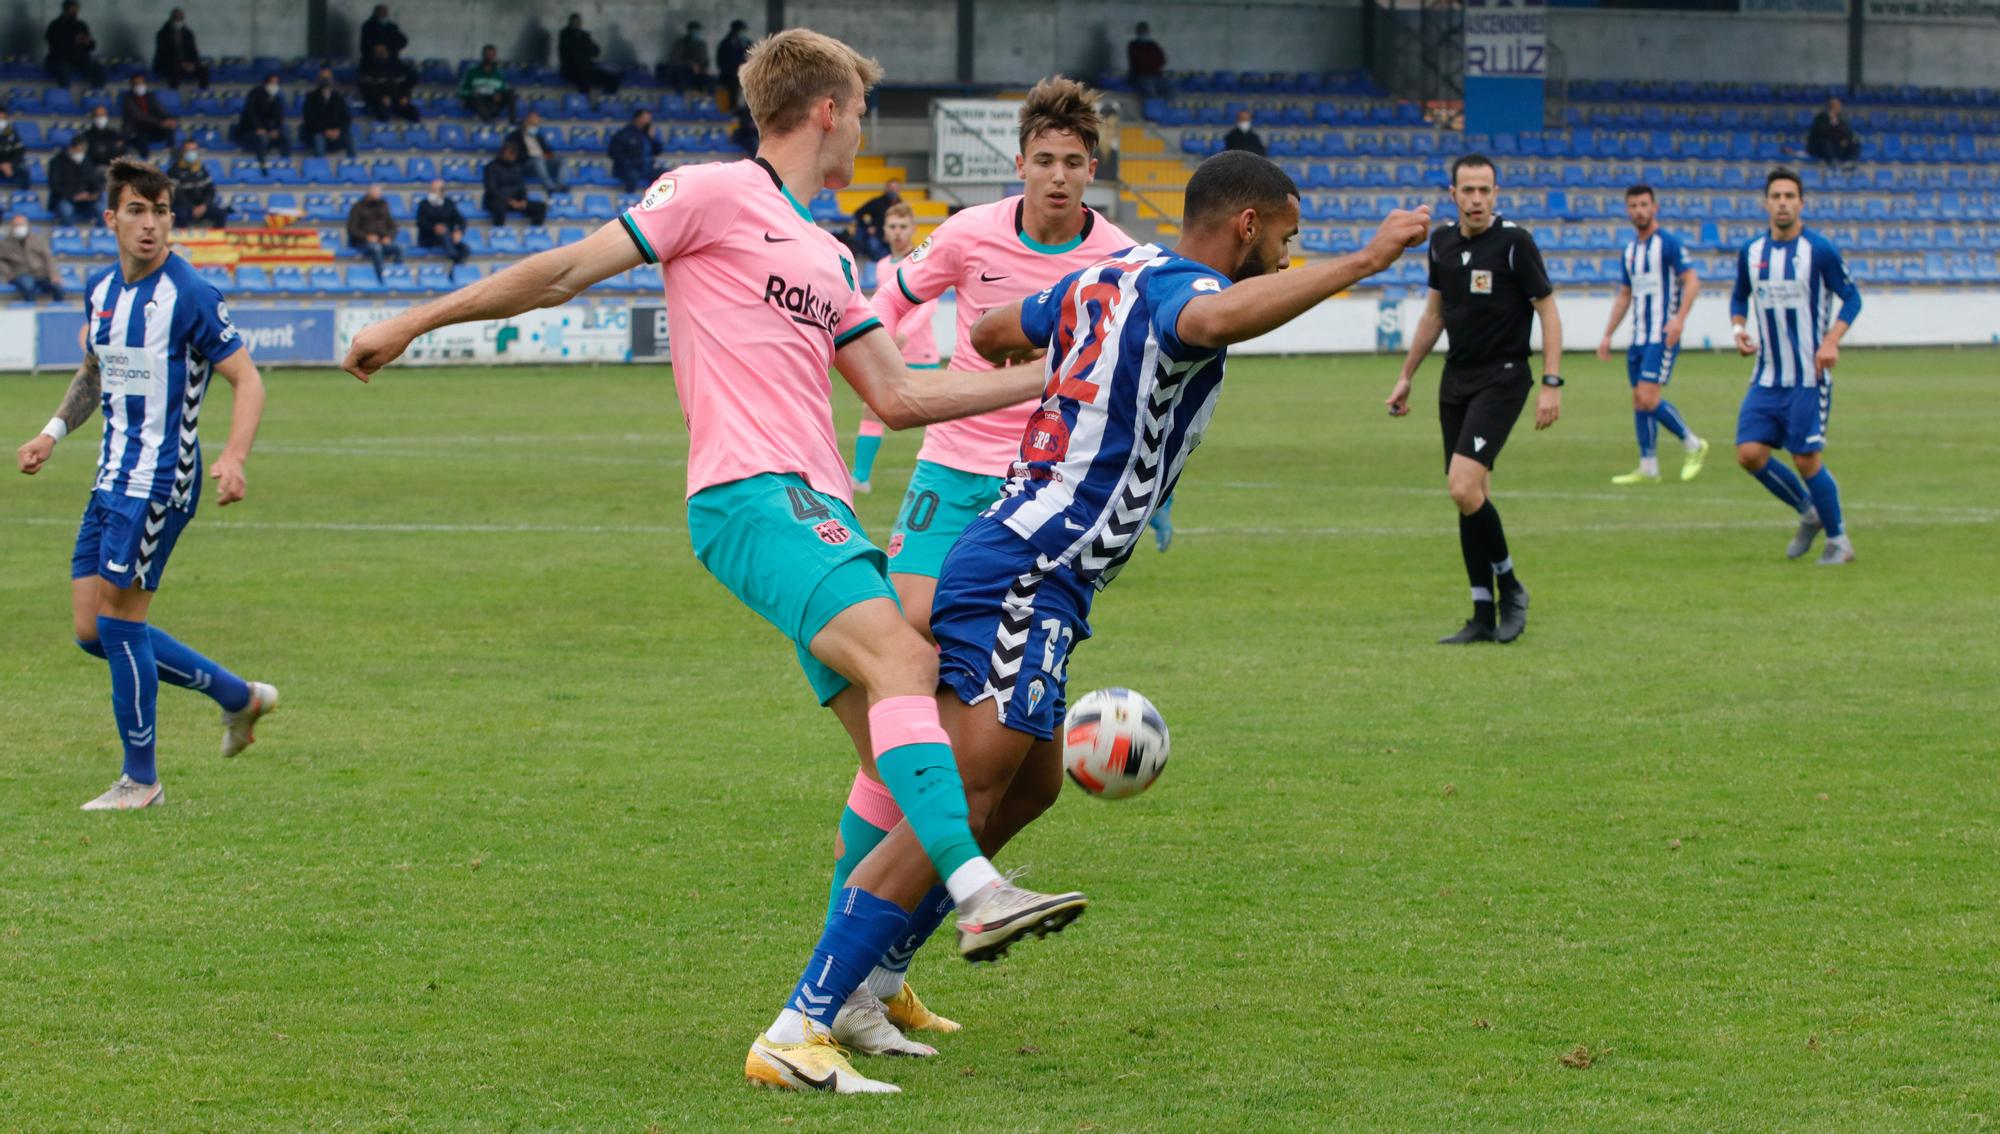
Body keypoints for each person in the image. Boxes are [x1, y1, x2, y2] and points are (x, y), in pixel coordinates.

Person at [340, 28, 1086, 1097]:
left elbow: (901, 396)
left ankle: (844, 1008)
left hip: (817, 508)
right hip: (748, 498)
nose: (862, 131)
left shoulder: (825, 254)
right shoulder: (709, 190)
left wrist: (1047, 382)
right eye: (860, 113)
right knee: (908, 671)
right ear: (826, 110)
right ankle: (974, 889)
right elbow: (561, 271)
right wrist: (415, 319)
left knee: (891, 758)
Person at [846, 151, 1427, 1092]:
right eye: (1284, 238)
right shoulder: (1186, 294)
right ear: (1247, 224)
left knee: (1030, 790)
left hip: (1044, 575)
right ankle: (824, 998)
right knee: (964, 795)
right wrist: (1362, 262)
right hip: (1025, 570)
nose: (1287, 257)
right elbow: (1218, 317)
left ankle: (878, 976)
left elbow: (998, 325)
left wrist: (1033, 361)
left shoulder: (1107, 275)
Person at [14, 157, 277, 811]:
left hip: (160, 480)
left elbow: (248, 379)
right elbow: (95, 374)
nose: (151, 224)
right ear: (112, 219)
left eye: (161, 211)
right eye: (138, 210)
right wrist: (51, 430)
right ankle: (237, 697)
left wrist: (235, 455)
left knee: (122, 623)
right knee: (89, 630)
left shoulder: (189, 294)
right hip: (109, 477)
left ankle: (141, 780)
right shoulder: (101, 291)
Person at [869, 78, 1135, 642]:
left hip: (1048, 475)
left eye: (1071, 162)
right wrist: (879, 346)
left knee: (1012, 631)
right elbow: (890, 296)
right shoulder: (968, 232)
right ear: (1020, 164)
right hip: (952, 457)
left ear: (1093, 167)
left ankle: (1003, 726)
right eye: (1044, 160)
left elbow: (1132, 370)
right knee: (910, 620)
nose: (1057, 175)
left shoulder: (1118, 259)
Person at [1385, 154, 1562, 645]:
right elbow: (1433, 315)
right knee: (1469, 497)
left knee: (1463, 488)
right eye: (1469, 190)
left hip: (1504, 377)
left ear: (1496, 193)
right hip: (1455, 379)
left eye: (1485, 190)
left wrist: (1552, 382)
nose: (1477, 199)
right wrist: (1406, 376)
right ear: (1454, 193)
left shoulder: (1514, 243)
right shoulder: (1441, 242)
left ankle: (1510, 585)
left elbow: (1547, 310)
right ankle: (1483, 613)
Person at [1730, 167, 1861, 566]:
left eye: (1790, 196)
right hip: (1767, 377)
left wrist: (1831, 340)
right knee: (1749, 453)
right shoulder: (1751, 253)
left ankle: (1839, 541)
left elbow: (1852, 299)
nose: (1783, 203)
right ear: (1766, 203)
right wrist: (1738, 328)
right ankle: (1810, 512)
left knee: (1806, 460)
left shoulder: (1818, 250)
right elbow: (1739, 297)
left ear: (1801, 203)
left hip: (1808, 377)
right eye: (1776, 196)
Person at [1597, 184, 1706, 485]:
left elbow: (1692, 282)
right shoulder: (1630, 251)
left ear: (1655, 208)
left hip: (1662, 334)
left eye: (1644, 205)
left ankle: (1693, 444)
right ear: (1627, 210)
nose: (1639, 211)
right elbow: (1624, 295)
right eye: (1633, 206)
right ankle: (1648, 466)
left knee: (1648, 397)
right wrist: (1607, 334)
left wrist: (1679, 320)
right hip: (1639, 336)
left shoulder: (1668, 244)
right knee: (1638, 399)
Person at [849, 201, 937, 495]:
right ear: (885, 231)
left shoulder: (921, 260)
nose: (898, 232)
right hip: (889, 353)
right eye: (893, 227)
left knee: (940, 420)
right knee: (871, 410)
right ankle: (860, 478)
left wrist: (905, 333)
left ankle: (949, 471)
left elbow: (929, 303)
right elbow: (878, 304)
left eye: (903, 227)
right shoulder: (882, 264)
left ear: (913, 229)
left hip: (921, 355)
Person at [0, 215, 63, 302]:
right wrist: (10, 275)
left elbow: (48, 257)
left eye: (22, 225)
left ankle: (57, 309)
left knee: (58, 287)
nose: (19, 228)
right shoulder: (5, 243)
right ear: (12, 227)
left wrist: (54, 274)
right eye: (16, 225)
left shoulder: (37, 239)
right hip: (20, 274)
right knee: (28, 286)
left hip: (41, 273)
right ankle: (30, 308)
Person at [481, 142, 545, 226]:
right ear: (503, 153)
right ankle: (499, 232)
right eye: (510, 153)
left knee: (540, 207)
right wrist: (509, 201)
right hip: (497, 200)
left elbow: (521, 186)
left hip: (516, 201)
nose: (512, 156)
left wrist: (523, 200)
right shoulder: (491, 167)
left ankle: (536, 233)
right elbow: (491, 189)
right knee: (499, 207)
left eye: (513, 153)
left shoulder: (517, 168)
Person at [347, 183, 402, 281]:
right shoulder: (358, 207)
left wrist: (389, 237)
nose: (378, 195)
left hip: (382, 239)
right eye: (375, 193)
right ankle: (381, 277)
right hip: (363, 241)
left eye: (379, 193)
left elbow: (394, 226)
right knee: (377, 248)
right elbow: (352, 229)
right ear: (369, 193)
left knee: (399, 248)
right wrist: (366, 236)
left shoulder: (384, 206)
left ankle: (398, 276)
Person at [415, 178, 470, 276]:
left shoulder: (449, 203)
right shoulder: (424, 204)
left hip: (448, 237)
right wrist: (434, 228)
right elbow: (420, 223)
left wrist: (459, 231)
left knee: (465, 248)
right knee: (444, 234)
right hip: (429, 238)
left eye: (440, 189)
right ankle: (454, 255)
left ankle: (454, 273)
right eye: (434, 190)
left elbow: (462, 220)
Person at [234, 74, 290, 169]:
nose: (274, 85)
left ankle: (285, 166)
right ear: (266, 83)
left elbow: (278, 117)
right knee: (262, 139)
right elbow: (250, 114)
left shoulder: (276, 99)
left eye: (276, 83)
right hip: (249, 131)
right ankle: (263, 167)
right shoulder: (255, 95)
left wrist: (275, 129)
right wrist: (258, 128)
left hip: (268, 131)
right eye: (272, 83)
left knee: (285, 140)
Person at [301, 67, 358, 160]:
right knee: (318, 139)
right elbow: (310, 120)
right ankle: (320, 168)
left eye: (328, 78)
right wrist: (325, 131)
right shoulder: (311, 98)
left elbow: (346, 118)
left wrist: (338, 131)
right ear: (318, 79)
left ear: (332, 79)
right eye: (323, 78)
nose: (325, 80)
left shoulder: (338, 97)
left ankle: (353, 167)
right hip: (319, 133)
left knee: (351, 139)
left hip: (337, 134)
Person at [45, 1, 105, 89]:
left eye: (76, 10)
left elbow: (91, 46)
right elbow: (54, 46)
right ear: (65, 10)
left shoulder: (81, 25)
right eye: (72, 10)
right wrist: (73, 41)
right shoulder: (55, 25)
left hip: (80, 60)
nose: (75, 12)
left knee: (100, 69)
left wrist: (87, 42)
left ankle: (96, 95)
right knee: (63, 69)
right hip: (60, 60)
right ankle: (64, 97)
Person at [168, 141, 227, 228]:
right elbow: (177, 195)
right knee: (180, 215)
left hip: (201, 206)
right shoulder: (174, 171)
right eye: (188, 150)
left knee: (220, 214)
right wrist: (192, 208)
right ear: (183, 152)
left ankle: (215, 239)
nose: (192, 153)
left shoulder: (202, 170)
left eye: (194, 150)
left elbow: (210, 191)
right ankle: (184, 240)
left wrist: (204, 205)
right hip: (183, 207)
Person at [558, 13, 619, 98]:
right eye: (575, 22)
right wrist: (584, 44)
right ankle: (588, 99)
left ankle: (603, 97)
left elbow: (595, 52)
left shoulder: (585, 36)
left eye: (579, 22)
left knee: (611, 78)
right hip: (572, 70)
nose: (577, 24)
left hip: (587, 69)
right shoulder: (565, 35)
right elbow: (571, 52)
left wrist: (588, 44)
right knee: (582, 79)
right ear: (570, 22)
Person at [505, 110, 566, 194]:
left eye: (536, 125)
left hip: (543, 163)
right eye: (532, 124)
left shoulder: (538, 136)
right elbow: (512, 153)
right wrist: (530, 155)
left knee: (561, 160)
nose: (535, 126)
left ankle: (560, 186)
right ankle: (550, 187)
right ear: (526, 122)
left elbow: (548, 150)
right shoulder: (515, 136)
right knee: (537, 158)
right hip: (526, 164)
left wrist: (549, 155)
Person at [359, 43, 421, 123]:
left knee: (414, 113)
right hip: (377, 100)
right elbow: (366, 88)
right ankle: (384, 132)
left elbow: (406, 84)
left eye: (384, 49)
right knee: (383, 112)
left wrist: (405, 96)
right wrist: (380, 97)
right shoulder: (368, 68)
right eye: (379, 49)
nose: (382, 52)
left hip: (397, 98)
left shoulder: (398, 67)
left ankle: (414, 133)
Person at [120, 75, 178, 159]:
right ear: (132, 85)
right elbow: (139, 116)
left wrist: (170, 119)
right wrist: (161, 123)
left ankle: (172, 150)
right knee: (143, 137)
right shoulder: (128, 99)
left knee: (169, 127)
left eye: (142, 83)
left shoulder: (150, 96)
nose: (140, 85)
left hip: (152, 125)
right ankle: (145, 159)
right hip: (136, 127)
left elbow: (160, 109)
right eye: (137, 83)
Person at [607, 108, 665, 193]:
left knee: (666, 176)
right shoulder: (624, 134)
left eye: (649, 119)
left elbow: (658, 151)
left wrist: (653, 138)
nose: (648, 121)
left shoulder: (649, 134)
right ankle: (631, 200)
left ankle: (660, 200)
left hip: (647, 167)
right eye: (646, 118)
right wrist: (627, 163)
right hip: (629, 168)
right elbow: (613, 153)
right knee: (631, 177)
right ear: (638, 118)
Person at [48, 137, 102, 225]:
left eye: (83, 151)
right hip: (66, 198)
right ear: (71, 148)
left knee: (102, 209)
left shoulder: (87, 162)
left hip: (87, 200)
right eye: (79, 150)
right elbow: (55, 186)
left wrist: (93, 194)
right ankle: (69, 235)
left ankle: (101, 236)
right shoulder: (56, 162)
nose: (81, 153)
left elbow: (94, 182)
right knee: (66, 211)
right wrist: (74, 195)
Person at [459, 46, 517, 125]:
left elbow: (505, 88)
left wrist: (499, 92)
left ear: (494, 57)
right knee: (477, 97)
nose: (489, 57)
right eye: (487, 54)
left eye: (491, 55)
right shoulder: (472, 71)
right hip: (476, 100)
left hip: (493, 100)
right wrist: (471, 92)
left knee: (510, 93)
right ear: (483, 55)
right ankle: (488, 124)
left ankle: (513, 122)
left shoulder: (499, 73)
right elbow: (461, 90)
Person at [153, 9, 209, 90]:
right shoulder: (163, 33)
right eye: (177, 18)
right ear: (171, 18)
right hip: (168, 64)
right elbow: (163, 53)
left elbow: (193, 50)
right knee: (174, 69)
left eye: (181, 18)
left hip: (187, 64)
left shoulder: (188, 33)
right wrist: (181, 64)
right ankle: (174, 92)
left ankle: (203, 92)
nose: (179, 21)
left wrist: (193, 63)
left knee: (204, 69)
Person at [849, 178, 899, 261]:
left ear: (899, 190)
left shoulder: (901, 205)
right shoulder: (876, 202)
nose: (893, 191)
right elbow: (858, 213)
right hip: (877, 236)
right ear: (886, 189)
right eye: (891, 188)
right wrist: (866, 226)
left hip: (893, 237)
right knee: (873, 246)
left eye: (895, 188)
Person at [1807, 97, 1860, 165]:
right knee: (1826, 142)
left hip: (1838, 144)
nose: (1839, 108)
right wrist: (1830, 123)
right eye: (1837, 106)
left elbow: (1848, 132)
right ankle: (1833, 161)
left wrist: (1846, 139)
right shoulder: (1821, 117)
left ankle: (1851, 162)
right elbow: (1817, 132)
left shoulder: (1841, 118)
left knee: (1854, 142)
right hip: (1823, 146)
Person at [661, 20, 710, 92]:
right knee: (682, 82)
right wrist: (691, 64)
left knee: (708, 83)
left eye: (698, 31)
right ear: (689, 31)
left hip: (699, 73)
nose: (696, 33)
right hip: (683, 72)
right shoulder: (681, 43)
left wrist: (705, 67)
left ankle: (702, 101)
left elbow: (704, 59)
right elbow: (674, 60)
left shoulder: (701, 44)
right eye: (694, 31)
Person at [1127, 22, 1170, 102]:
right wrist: (1152, 63)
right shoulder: (1133, 45)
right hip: (1140, 77)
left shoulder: (1153, 45)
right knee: (1150, 91)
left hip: (1156, 76)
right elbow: (1140, 63)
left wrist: (1151, 63)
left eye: (1145, 31)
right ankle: (1152, 110)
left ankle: (1164, 110)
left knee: (1170, 89)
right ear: (1137, 32)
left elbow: (1163, 60)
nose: (1144, 33)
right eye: (1142, 31)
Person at [717, 19, 753, 106]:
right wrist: (732, 70)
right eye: (741, 30)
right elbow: (721, 60)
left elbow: (752, 57)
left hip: (746, 73)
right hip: (730, 75)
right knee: (733, 89)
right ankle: (734, 110)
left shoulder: (747, 43)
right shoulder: (726, 44)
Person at [0, 110, 29, 191]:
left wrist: (10, 164)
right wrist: (2, 165)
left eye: (3, 117)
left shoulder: (11, 131)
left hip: (11, 162)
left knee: (24, 169)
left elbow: (20, 151)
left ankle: (24, 195)